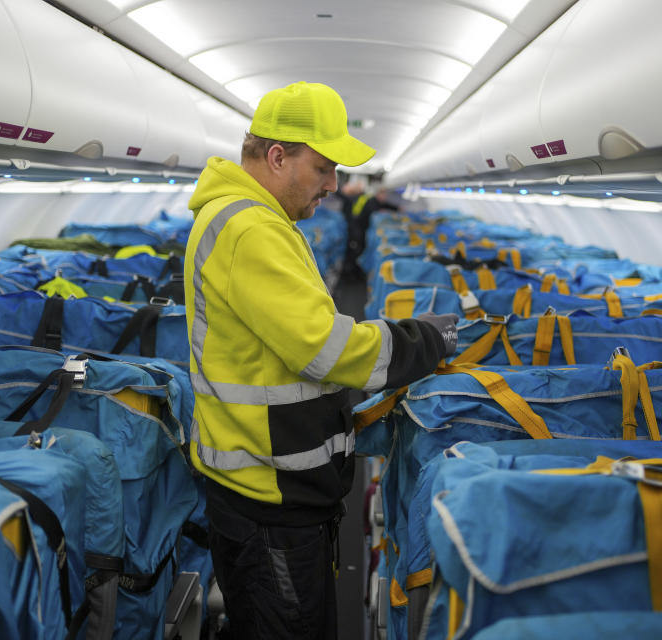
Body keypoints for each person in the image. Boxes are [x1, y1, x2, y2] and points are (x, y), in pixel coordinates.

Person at [183, 80, 458, 639]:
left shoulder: (260, 221)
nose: (334, 186)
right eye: (324, 169)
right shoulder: (248, 229)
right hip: (269, 504)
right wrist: (422, 342)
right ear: (278, 156)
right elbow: (323, 347)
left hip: (272, 489)